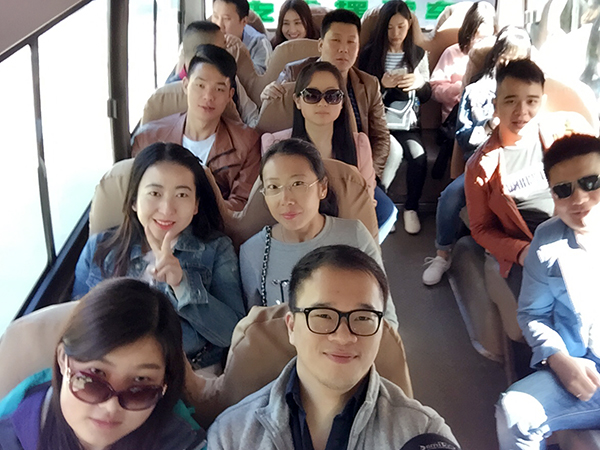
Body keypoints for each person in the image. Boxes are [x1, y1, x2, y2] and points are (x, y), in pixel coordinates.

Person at [208, 245, 459, 449]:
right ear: (292, 327)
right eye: (323, 315)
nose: (343, 337)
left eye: (362, 318)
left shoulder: (423, 433)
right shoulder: (231, 435)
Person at [73, 143, 245, 368]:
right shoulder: (100, 248)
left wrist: (182, 284)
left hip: (190, 371)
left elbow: (234, 334)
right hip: (111, 368)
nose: (166, 209)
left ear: (196, 205)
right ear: (134, 200)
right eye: (155, 193)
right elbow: (77, 324)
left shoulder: (217, 249)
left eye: (181, 194)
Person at [0, 278, 207, 450]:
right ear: (63, 360)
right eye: (94, 376)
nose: (111, 407)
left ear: (164, 385)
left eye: (139, 385)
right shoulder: (13, 429)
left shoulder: (181, 441)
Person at [495, 134, 600, 449]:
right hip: (585, 366)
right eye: (564, 190)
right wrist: (558, 358)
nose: (578, 199)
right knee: (514, 411)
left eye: (591, 182)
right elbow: (533, 313)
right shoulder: (548, 241)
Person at [239, 138, 398, 328]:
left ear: (322, 188)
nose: (286, 199)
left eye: (298, 183)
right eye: (273, 187)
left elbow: (386, 317)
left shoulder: (354, 235)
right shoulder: (253, 252)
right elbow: (254, 328)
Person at [423, 26, 533, 286]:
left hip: (522, 161)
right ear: (497, 57)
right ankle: (442, 254)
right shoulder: (477, 91)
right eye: (506, 58)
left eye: (518, 60)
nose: (510, 66)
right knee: (450, 196)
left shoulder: (530, 94)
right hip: (483, 163)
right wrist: (489, 127)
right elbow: (463, 137)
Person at [261, 61, 398, 241]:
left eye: (332, 96)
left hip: (345, 235)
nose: (323, 103)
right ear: (297, 101)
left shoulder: (359, 145)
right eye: (312, 95)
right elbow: (272, 202)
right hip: (295, 234)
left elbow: (365, 204)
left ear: (342, 103)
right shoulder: (274, 145)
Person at [261, 9, 390, 180]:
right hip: (305, 167)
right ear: (321, 45)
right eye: (336, 40)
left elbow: (381, 137)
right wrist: (268, 95)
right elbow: (275, 116)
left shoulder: (369, 84)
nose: (343, 49)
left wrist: (368, 175)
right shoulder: (294, 74)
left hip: (356, 167)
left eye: (351, 42)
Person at [133, 46, 261, 211]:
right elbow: (137, 197)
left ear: (230, 95)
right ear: (186, 85)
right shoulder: (148, 138)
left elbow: (242, 205)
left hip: (215, 225)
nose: (208, 96)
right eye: (200, 85)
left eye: (219, 89)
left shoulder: (247, 143)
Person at [464, 59, 552, 298]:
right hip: (526, 246)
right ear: (496, 106)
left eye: (531, 101)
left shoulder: (560, 139)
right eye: (511, 101)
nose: (522, 112)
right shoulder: (481, 166)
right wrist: (521, 251)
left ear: (542, 103)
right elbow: (481, 229)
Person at [359, 0, 431, 234]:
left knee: (418, 156)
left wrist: (419, 83)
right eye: (390, 27)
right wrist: (382, 85)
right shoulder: (370, 54)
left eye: (401, 27)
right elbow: (362, 95)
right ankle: (383, 205)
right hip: (379, 123)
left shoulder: (418, 55)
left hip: (407, 123)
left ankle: (411, 208)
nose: (396, 33)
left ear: (409, 25)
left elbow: (426, 96)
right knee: (392, 152)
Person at [429, 1, 496, 178]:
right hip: (455, 121)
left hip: (486, 119)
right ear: (469, 33)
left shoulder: (496, 58)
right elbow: (434, 89)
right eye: (477, 38)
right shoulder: (452, 53)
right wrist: (458, 90)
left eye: (486, 39)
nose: (481, 44)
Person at [163, 21, 259, 127]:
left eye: (219, 89)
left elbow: (252, 116)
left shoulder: (230, 80)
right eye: (223, 49)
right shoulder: (166, 96)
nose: (208, 96)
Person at [211, 0, 272, 74]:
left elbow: (263, 77)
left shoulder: (259, 43)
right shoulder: (205, 36)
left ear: (244, 21)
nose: (219, 25)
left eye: (226, 19)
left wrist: (240, 54)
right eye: (215, 16)